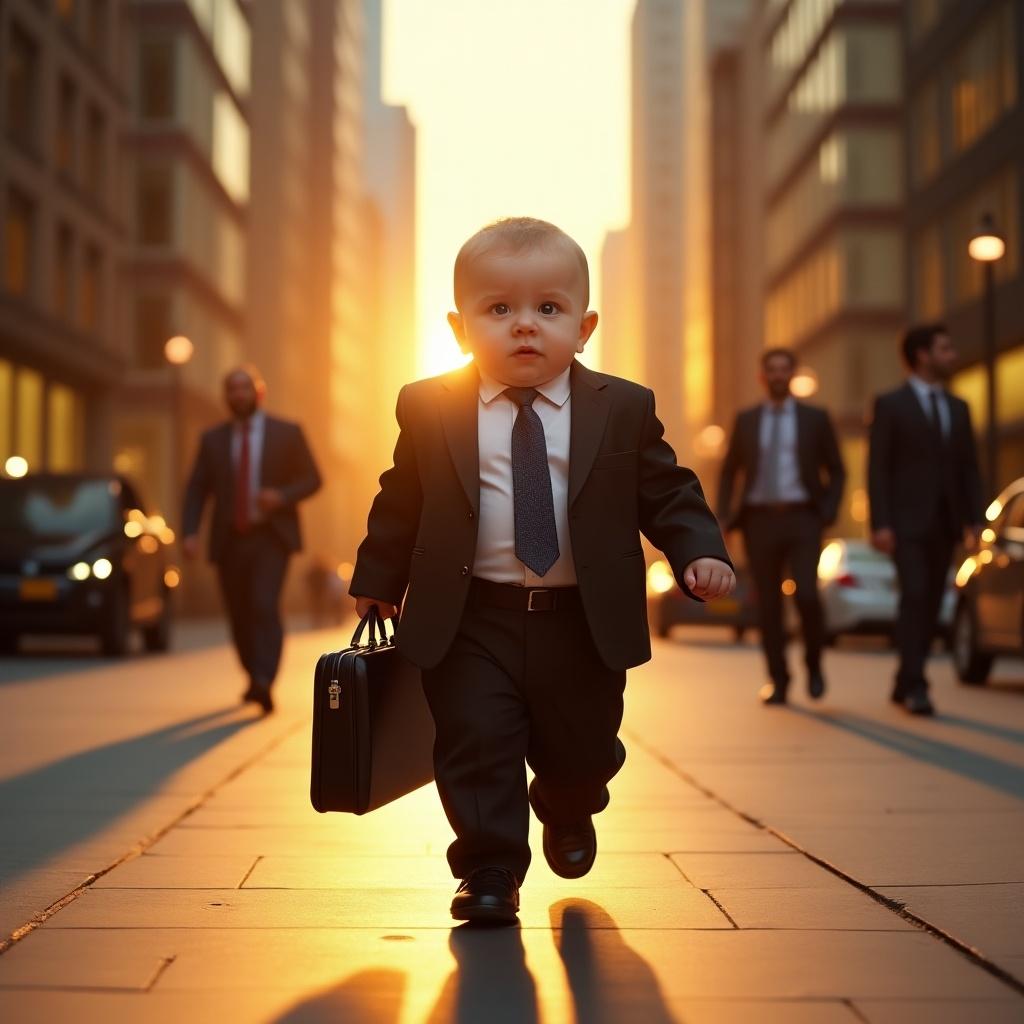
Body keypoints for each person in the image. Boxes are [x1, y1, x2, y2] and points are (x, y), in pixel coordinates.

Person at [351, 218, 735, 925]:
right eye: (499, 310)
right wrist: (377, 577)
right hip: (472, 617)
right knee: (474, 741)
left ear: (584, 325)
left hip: (581, 623)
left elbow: (668, 490)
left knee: (582, 746)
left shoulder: (621, 408)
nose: (524, 326)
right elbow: (401, 496)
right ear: (459, 326)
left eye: (548, 309)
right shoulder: (429, 405)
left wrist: (698, 551)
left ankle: (569, 802)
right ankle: (490, 868)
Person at [182, 365, 321, 714]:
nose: (239, 395)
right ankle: (252, 674)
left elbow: (313, 478)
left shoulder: (287, 433)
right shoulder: (212, 439)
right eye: (232, 389)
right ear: (226, 396)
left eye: (245, 388)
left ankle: (264, 679)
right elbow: (197, 489)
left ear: (259, 393)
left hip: (271, 537)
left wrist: (283, 496)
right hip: (230, 539)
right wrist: (189, 533)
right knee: (239, 613)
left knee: (262, 604)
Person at [718, 348, 846, 705]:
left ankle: (814, 665)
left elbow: (837, 469)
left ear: (792, 375)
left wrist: (829, 510)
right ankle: (778, 679)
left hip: (804, 517)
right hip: (758, 520)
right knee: (768, 605)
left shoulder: (815, 419)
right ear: (763, 377)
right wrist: (724, 517)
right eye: (771, 371)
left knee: (806, 593)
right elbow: (730, 471)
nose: (777, 376)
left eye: (783, 370)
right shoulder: (746, 420)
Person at [868, 324, 984, 716]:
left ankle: (904, 679)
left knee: (931, 602)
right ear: (922, 355)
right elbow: (878, 469)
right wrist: (880, 523)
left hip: (946, 523)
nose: (952, 355)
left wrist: (976, 520)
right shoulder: (890, 404)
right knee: (915, 595)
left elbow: (969, 468)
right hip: (905, 524)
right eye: (945, 349)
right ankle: (917, 685)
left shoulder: (959, 407)